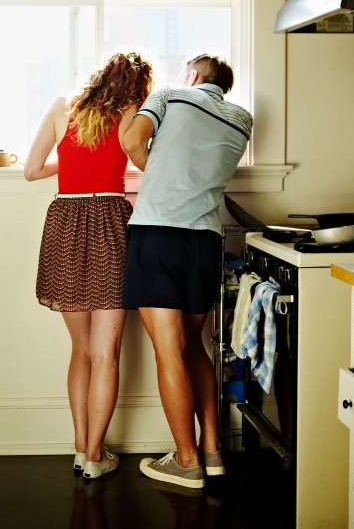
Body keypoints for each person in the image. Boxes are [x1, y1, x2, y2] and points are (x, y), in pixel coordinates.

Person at [121, 53, 253, 489]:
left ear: (192, 76)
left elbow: (130, 143)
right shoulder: (242, 118)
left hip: (157, 233)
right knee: (195, 345)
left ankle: (185, 459)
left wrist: (153, 168)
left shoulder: (171, 95)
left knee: (168, 351)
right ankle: (212, 451)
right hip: (205, 241)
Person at [24, 52, 155, 480]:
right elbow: (140, 160)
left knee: (80, 351)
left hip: (64, 224)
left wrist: (76, 161)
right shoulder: (131, 113)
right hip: (111, 226)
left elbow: (30, 171)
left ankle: (81, 448)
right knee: (106, 354)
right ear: (138, 86)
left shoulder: (64, 107)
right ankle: (97, 455)